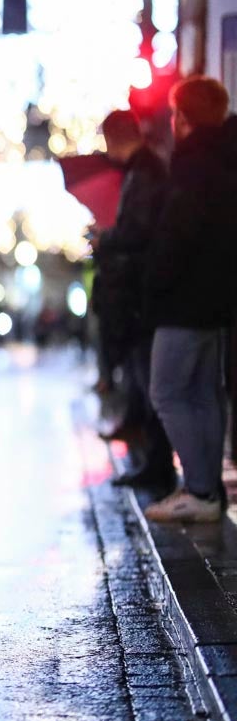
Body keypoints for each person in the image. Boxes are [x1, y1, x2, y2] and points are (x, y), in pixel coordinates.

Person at [142, 77, 237, 523]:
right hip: (217, 299)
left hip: (184, 299)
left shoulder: (193, 165)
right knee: (204, 394)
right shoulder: (225, 160)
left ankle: (200, 489)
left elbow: (176, 236)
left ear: (184, 118)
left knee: (168, 391)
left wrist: (152, 284)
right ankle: (207, 490)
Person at [88, 110, 173, 490]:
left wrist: (105, 239)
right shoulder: (144, 170)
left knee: (152, 380)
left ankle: (159, 465)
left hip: (141, 292)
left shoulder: (144, 173)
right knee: (146, 379)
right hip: (142, 291)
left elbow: (138, 231)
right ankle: (154, 460)